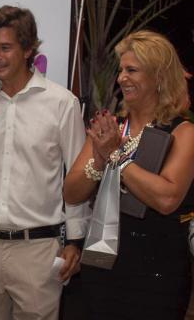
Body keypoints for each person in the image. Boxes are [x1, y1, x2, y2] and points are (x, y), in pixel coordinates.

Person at [0, 5, 89, 319]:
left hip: (38, 249)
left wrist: (75, 241)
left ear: (28, 50)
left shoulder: (61, 103)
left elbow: (79, 177)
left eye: (5, 47)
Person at [63, 30, 194, 319]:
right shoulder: (110, 128)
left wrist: (117, 156)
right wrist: (97, 161)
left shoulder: (183, 133)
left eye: (132, 70)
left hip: (157, 274)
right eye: (121, 70)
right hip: (100, 263)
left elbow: (167, 198)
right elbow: (71, 193)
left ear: (159, 76)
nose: (122, 77)